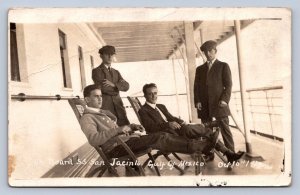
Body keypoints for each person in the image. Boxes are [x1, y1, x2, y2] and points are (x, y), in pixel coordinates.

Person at [79, 84, 219, 162]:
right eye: (96, 97)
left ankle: (203, 145)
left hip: (127, 141)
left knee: (162, 135)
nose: (100, 99)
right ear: (86, 100)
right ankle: (202, 146)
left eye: (100, 96)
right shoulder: (87, 118)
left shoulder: (100, 113)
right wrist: (118, 129)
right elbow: (93, 139)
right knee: (160, 137)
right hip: (117, 148)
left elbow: (115, 130)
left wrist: (132, 127)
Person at [138, 83, 244, 163]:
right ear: (145, 96)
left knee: (190, 129)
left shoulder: (161, 106)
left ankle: (226, 150)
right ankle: (223, 147)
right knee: (204, 133)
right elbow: (149, 127)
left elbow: (170, 117)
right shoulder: (143, 110)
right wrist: (168, 124)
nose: (153, 96)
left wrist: (180, 121)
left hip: (177, 128)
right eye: (150, 94)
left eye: (155, 93)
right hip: (166, 136)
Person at [194, 40, 235, 152]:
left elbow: (229, 85)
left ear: (215, 51)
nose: (207, 53)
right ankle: (209, 153)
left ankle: (231, 153)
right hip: (204, 104)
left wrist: (225, 100)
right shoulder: (200, 69)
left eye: (210, 51)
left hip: (219, 103)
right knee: (206, 131)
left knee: (225, 129)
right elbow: (196, 87)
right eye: (205, 52)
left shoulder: (223, 66)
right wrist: (197, 101)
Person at [92, 45, 130, 126]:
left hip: (119, 108)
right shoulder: (97, 71)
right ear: (101, 56)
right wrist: (118, 88)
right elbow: (103, 89)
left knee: (127, 131)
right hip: (107, 108)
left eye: (112, 54)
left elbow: (126, 86)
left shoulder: (116, 72)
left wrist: (113, 85)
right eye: (107, 54)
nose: (110, 56)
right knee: (112, 133)